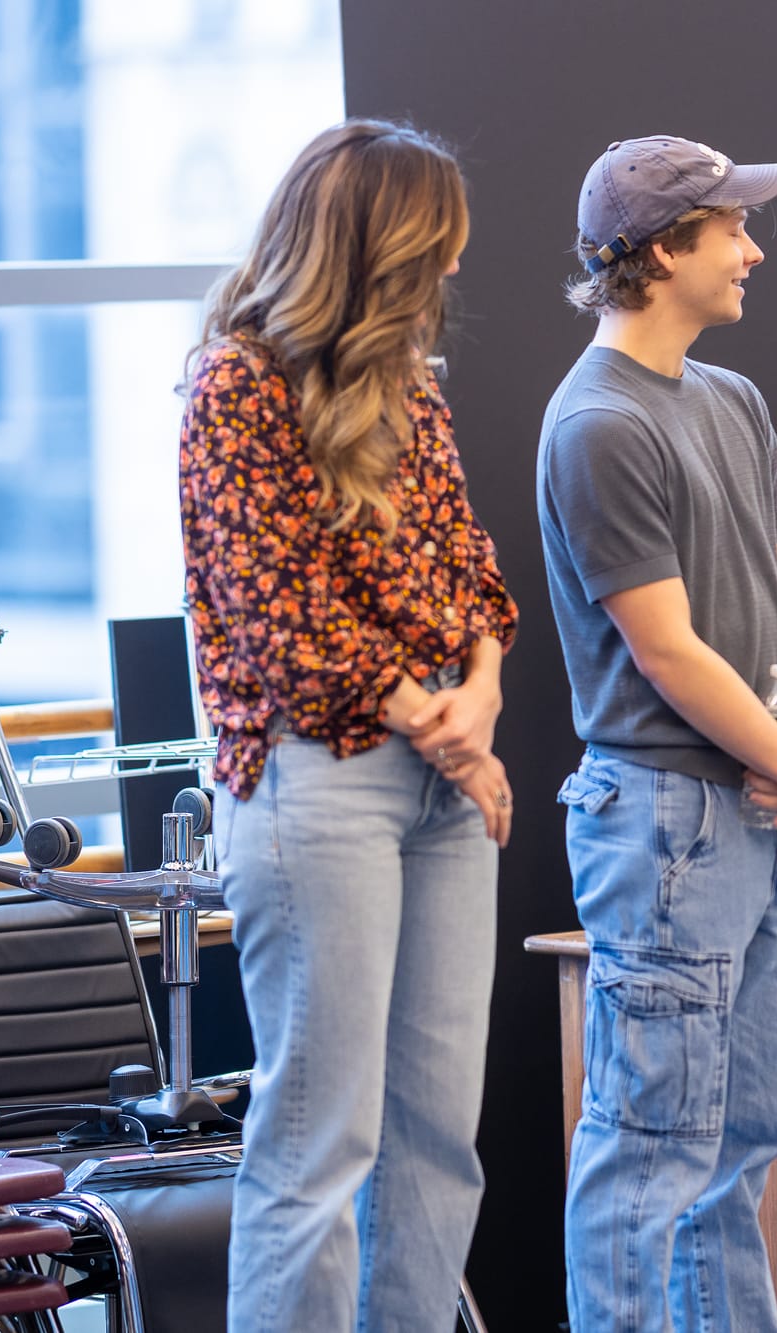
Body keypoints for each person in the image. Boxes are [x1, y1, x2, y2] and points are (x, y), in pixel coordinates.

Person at [179, 119, 518, 1333]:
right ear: (373, 249)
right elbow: (283, 615)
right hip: (318, 781)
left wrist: (477, 695)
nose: (454, 274)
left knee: (438, 1137)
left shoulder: (410, 391)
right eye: (439, 251)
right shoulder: (235, 385)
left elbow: (472, 572)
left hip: (438, 780)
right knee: (321, 1140)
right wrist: (439, 720)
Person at [536, 134, 777, 1329]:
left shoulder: (730, 399)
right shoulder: (597, 424)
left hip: (762, 808)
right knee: (649, 1145)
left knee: (739, 1139)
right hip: (669, 825)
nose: (752, 250)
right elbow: (663, 651)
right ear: (666, 249)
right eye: (730, 229)